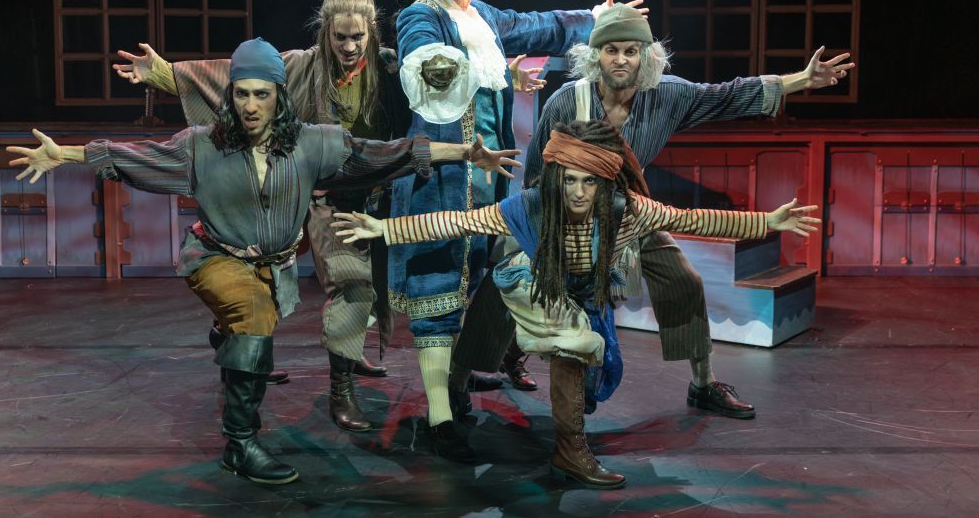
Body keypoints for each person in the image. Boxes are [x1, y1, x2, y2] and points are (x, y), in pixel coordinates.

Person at [7, 37, 520, 485]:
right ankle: (241, 443)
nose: (251, 105)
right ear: (229, 96)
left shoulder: (311, 144)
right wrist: (65, 155)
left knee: (255, 318)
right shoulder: (201, 146)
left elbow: (382, 153)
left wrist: (464, 153)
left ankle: (228, 337)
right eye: (242, 94)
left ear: (279, 96)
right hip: (214, 256)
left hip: (273, 265)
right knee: (252, 318)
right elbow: (135, 157)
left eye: (261, 94)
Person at [333, 119, 820, 487]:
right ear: (556, 179)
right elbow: (457, 221)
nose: (579, 192)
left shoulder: (627, 210)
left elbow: (692, 218)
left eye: (589, 182)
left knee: (582, 357)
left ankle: (558, 422)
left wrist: (766, 222)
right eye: (570, 180)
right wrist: (383, 228)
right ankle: (552, 440)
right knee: (543, 336)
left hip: (581, 296)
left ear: (605, 183)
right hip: (528, 284)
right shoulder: (529, 207)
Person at [388, 0, 644, 459]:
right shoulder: (419, 16)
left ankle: (459, 384)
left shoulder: (482, 14)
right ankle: (439, 418)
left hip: (489, 179)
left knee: (479, 282)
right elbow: (425, 62)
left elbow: (538, 25)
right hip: (442, 176)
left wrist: (595, 17)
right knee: (438, 286)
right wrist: (460, 68)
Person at [524, 4, 854, 418]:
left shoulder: (667, 96)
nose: (621, 60)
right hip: (572, 220)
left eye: (630, 51)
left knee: (684, 281)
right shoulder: (566, 102)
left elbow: (728, 95)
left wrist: (802, 80)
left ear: (646, 56)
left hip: (632, 213)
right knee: (522, 288)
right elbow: (535, 176)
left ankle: (703, 383)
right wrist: (542, 237)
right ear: (595, 55)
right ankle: (506, 360)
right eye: (611, 50)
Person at [114, 0, 411, 432]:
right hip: (305, 192)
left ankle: (342, 370)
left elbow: (437, 75)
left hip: (365, 199)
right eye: (340, 37)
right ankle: (250, 348)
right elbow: (233, 77)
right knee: (274, 279)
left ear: (372, 32)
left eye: (358, 37)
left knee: (360, 286)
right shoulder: (301, 66)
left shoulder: (389, 68)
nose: (350, 47)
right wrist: (163, 74)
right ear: (325, 32)